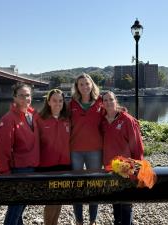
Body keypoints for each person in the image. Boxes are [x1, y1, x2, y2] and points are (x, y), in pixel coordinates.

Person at [0, 83, 40, 225]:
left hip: (31, 167)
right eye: (21, 95)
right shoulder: (8, 119)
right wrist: (4, 174)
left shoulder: (31, 115)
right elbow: (1, 150)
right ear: (14, 98)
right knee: (16, 207)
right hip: (19, 170)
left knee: (20, 206)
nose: (25, 98)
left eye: (28, 95)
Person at [101, 91, 144, 225]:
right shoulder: (102, 121)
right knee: (115, 199)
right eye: (105, 100)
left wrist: (137, 166)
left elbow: (137, 145)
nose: (108, 102)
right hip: (110, 166)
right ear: (102, 103)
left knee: (126, 203)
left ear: (116, 101)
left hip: (127, 167)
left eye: (111, 99)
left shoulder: (127, 120)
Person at [69, 73, 104, 225]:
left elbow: (112, 113)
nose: (84, 87)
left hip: (95, 150)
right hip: (75, 150)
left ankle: (92, 220)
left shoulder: (100, 102)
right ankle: (78, 220)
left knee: (94, 185)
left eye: (87, 83)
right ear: (77, 87)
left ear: (92, 85)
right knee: (76, 186)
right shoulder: (71, 104)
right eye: (81, 84)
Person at [36, 89, 71, 225]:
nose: (58, 103)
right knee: (51, 200)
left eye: (60, 100)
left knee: (60, 198)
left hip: (65, 164)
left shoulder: (67, 119)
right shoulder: (40, 119)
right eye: (54, 100)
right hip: (47, 166)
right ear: (48, 102)